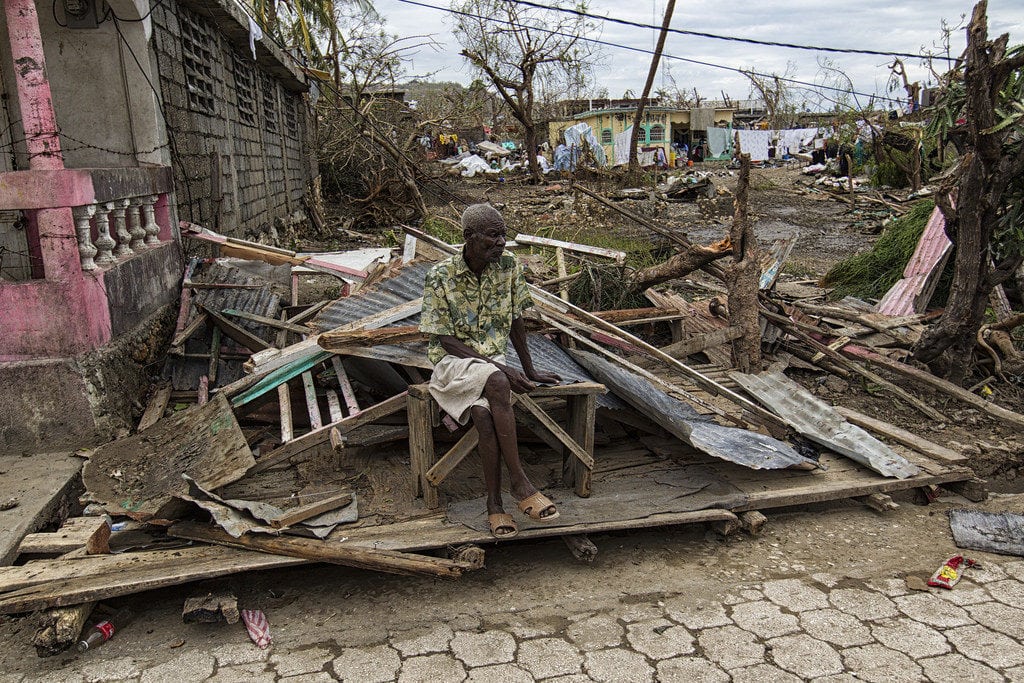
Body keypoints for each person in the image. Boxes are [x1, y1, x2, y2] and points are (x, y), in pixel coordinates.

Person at [419, 204, 561, 539]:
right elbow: (444, 338)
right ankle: (520, 483)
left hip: (490, 362)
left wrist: (529, 368)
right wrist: (502, 368)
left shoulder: (508, 267)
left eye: (503, 235)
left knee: (484, 415)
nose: (501, 242)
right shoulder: (440, 275)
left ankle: (495, 506)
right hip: (452, 364)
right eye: (493, 235)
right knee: (497, 379)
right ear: (469, 237)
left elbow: (515, 321)